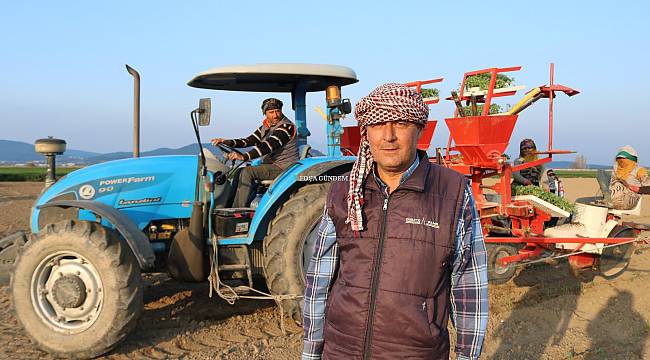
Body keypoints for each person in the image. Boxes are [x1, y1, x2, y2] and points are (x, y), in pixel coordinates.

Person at [302, 83, 488, 360]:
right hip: (342, 351)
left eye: (400, 123)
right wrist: (310, 353)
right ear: (366, 133)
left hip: (415, 353)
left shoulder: (452, 193)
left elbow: (469, 287)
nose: (388, 136)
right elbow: (319, 282)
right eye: (378, 125)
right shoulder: (344, 191)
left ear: (420, 129)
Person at [211, 98, 299, 207]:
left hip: (284, 167)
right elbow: (248, 141)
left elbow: (267, 146)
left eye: (277, 111)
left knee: (248, 172)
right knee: (239, 172)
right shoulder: (265, 127)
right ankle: (228, 207)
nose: (275, 115)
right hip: (270, 165)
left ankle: (239, 210)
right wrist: (227, 142)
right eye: (271, 112)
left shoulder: (287, 127)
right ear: (265, 113)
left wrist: (244, 157)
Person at [608, 145, 650, 210]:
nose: (621, 160)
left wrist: (633, 188)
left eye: (624, 158)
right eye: (619, 158)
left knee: (617, 186)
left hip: (631, 198)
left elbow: (648, 188)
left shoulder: (639, 171)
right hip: (614, 196)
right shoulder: (615, 171)